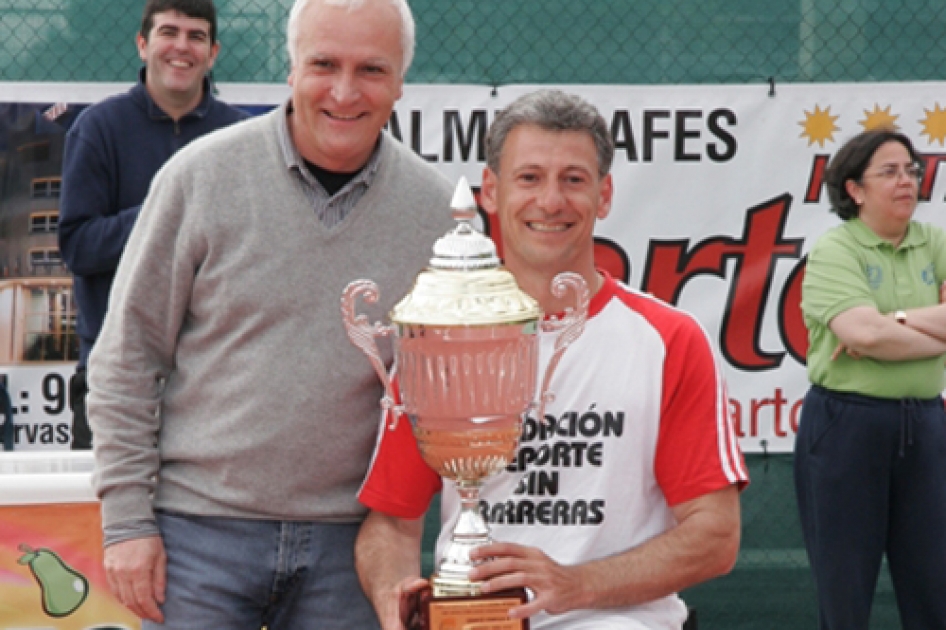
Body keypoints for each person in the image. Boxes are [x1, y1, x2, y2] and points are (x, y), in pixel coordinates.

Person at [86, 0, 454, 626]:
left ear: (399, 82)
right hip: (198, 540)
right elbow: (128, 357)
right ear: (290, 70)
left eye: (370, 69)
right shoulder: (200, 176)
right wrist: (126, 522)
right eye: (323, 64)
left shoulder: (439, 212)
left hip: (352, 549)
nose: (344, 91)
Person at [355, 89, 749, 630]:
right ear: (490, 191)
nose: (551, 201)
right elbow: (391, 526)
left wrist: (575, 584)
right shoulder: (441, 341)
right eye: (530, 177)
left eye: (573, 179)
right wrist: (392, 602)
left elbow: (715, 535)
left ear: (604, 195)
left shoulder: (669, 339)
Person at [58, 0, 248, 451]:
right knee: (109, 522)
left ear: (213, 52)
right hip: (114, 374)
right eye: (169, 32)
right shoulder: (98, 128)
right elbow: (79, 247)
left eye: (196, 36)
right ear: (143, 45)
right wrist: (164, 210)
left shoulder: (239, 138)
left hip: (216, 382)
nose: (181, 47)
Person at [795, 129, 946, 630]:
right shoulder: (835, 250)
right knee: (845, 592)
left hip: (926, 427)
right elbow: (861, 332)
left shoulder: (937, 242)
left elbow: (876, 332)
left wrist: (894, 320)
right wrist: (918, 328)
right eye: (889, 172)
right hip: (846, 427)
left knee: (935, 587)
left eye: (911, 170)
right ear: (855, 189)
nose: (906, 181)